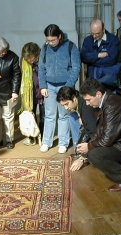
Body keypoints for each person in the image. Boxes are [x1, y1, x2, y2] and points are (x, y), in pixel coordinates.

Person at [77, 78, 121, 192]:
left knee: (95, 155)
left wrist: (89, 147)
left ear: (98, 94)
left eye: (89, 100)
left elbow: (107, 139)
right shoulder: (108, 101)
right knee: (93, 150)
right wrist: (87, 144)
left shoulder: (112, 106)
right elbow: (101, 130)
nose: (87, 103)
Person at [38, 24, 81, 154]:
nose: (50, 43)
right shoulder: (45, 48)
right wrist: (43, 86)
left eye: (53, 40)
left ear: (60, 36)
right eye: (48, 40)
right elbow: (41, 68)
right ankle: (46, 141)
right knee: (49, 115)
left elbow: (76, 68)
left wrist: (68, 87)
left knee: (64, 115)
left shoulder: (70, 46)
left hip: (65, 85)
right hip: (49, 86)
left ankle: (63, 142)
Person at [56, 86, 97, 171]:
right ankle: (81, 150)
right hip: (94, 130)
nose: (66, 108)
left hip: (104, 137)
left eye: (67, 104)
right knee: (73, 118)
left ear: (74, 98)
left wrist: (83, 158)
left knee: (95, 159)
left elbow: (94, 132)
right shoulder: (79, 104)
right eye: (63, 105)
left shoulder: (86, 107)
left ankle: (86, 156)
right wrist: (80, 141)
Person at [80, 19, 121, 89]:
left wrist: (91, 60)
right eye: (92, 33)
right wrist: (98, 55)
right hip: (92, 81)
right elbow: (83, 57)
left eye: (97, 33)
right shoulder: (87, 40)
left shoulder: (113, 40)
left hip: (108, 81)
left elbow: (111, 60)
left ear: (103, 30)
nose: (94, 36)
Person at [19, 42, 44, 146]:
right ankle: (31, 137)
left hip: (42, 92)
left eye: (31, 57)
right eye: (27, 58)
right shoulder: (23, 61)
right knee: (30, 116)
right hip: (30, 94)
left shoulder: (42, 59)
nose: (29, 60)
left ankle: (42, 137)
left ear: (36, 53)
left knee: (44, 116)